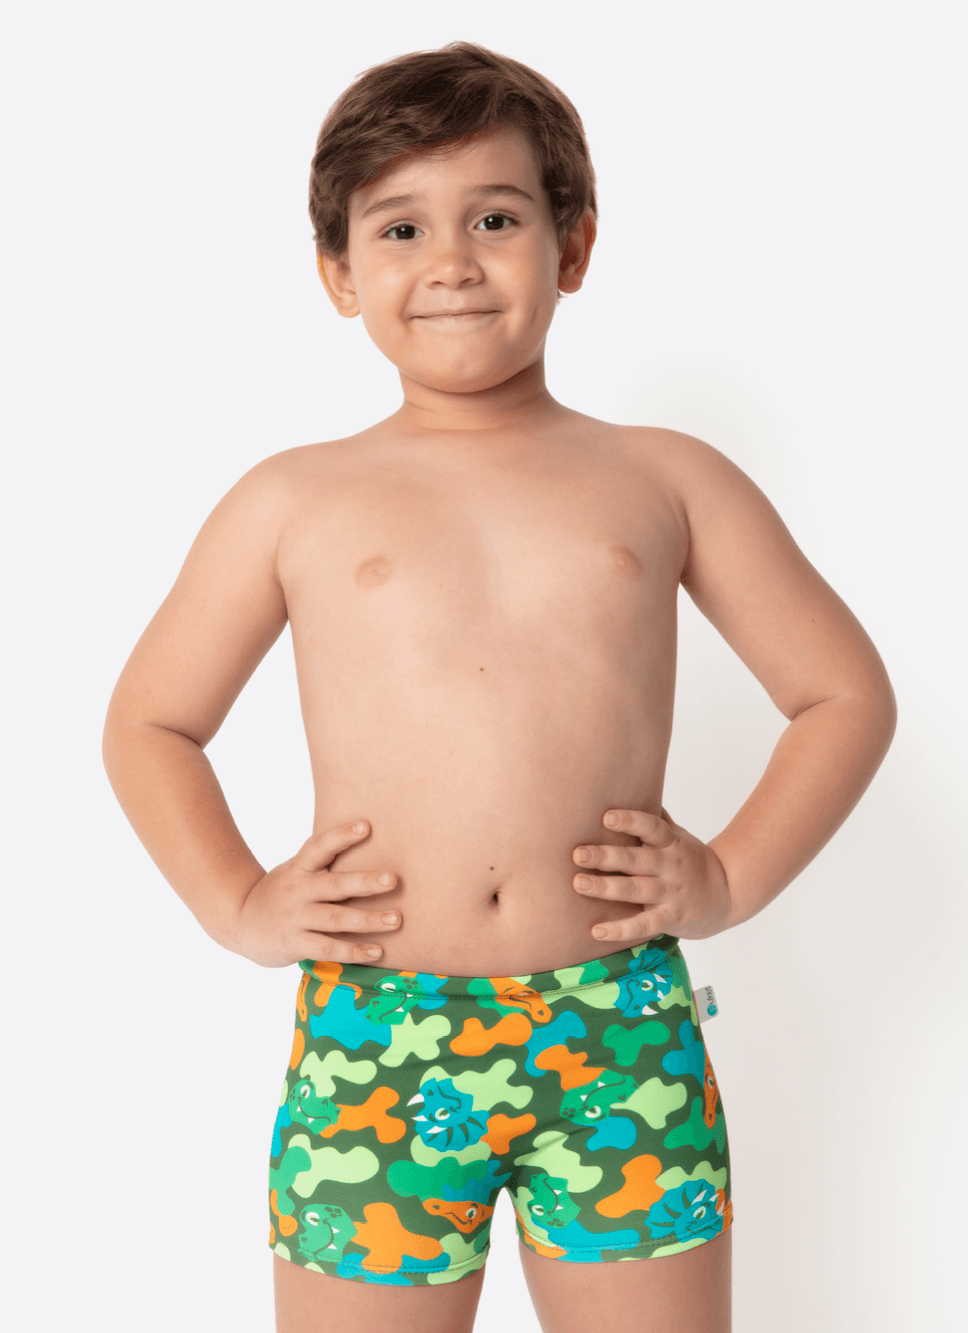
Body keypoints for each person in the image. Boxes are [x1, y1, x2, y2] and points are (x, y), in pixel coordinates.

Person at [102, 41, 896, 1333]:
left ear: (572, 244)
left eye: (495, 218)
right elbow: (150, 722)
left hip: (618, 1023)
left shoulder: (664, 478)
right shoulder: (290, 499)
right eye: (400, 228)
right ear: (338, 273)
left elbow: (843, 694)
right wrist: (236, 902)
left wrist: (731, 876)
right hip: (376, 1028)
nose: (453, 262)